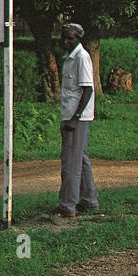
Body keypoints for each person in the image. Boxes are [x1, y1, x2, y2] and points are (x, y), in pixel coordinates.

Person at [57, 22, 99, 217]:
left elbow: (88, 89)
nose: (66, 41)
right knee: (80, 158)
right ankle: (90, 200)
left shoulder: (82, 57)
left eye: (70, 38)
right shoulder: (68, 57)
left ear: (78, 39)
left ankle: (68, 206)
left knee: (70, 163)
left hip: (76, 117)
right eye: (63, 37)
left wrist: (75, 118)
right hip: (69, 114)